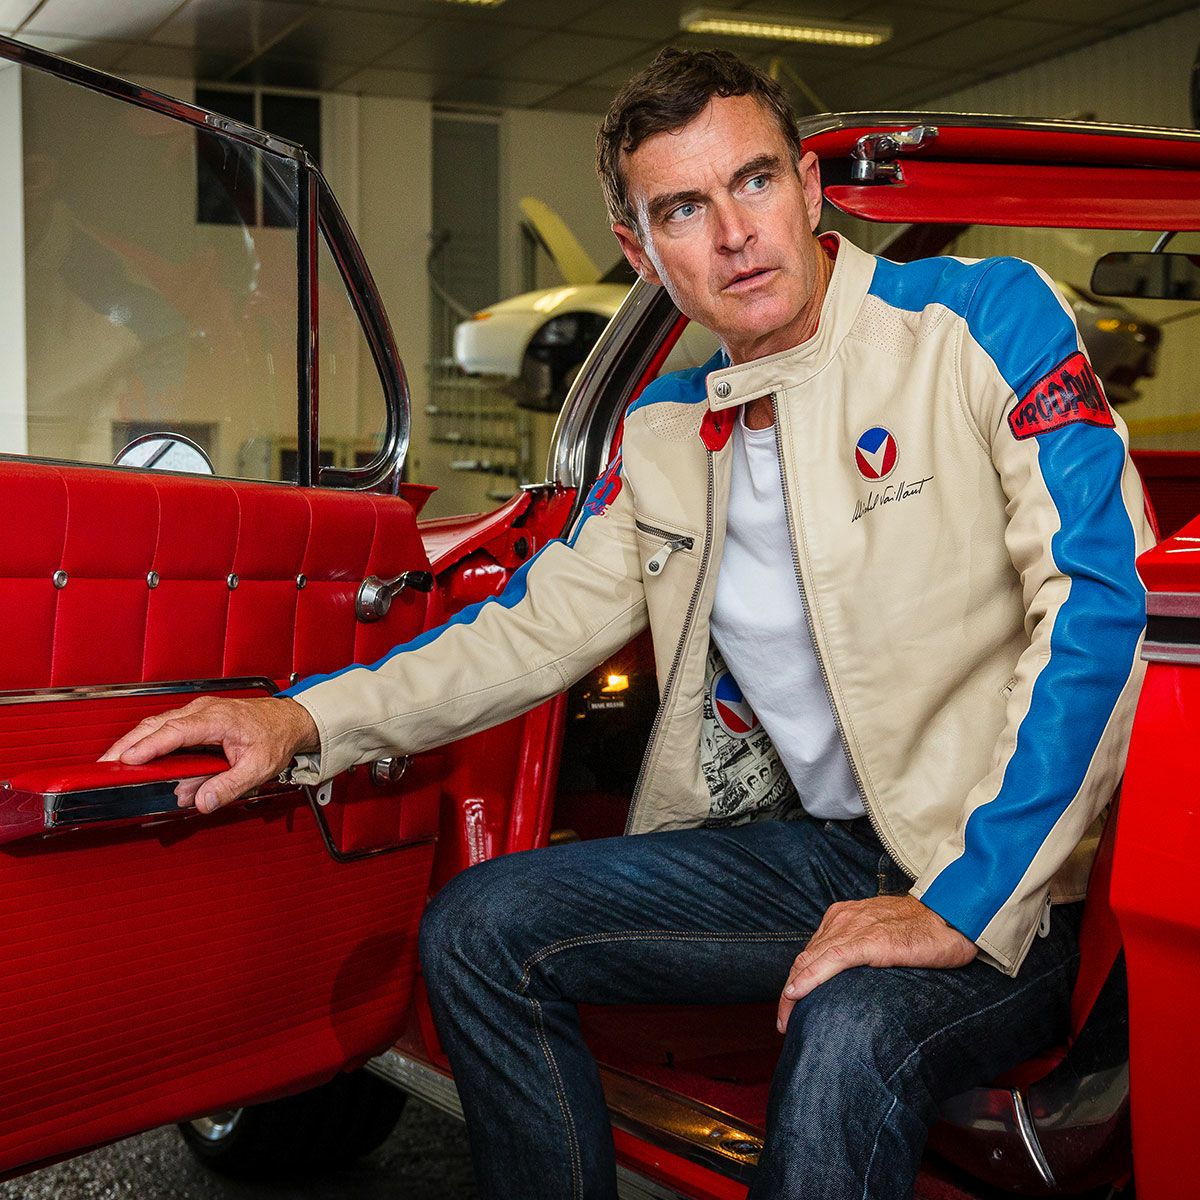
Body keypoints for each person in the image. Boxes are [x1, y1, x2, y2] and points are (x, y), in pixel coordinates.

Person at [103, 49, 1152, 1200]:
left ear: (810, 187)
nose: (735, 234)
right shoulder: (663, 430)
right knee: (478, 932)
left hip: (1014, 877)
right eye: (684, 210)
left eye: (755, 181)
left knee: (852, 1021)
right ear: (640, 250)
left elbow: (1100, 606)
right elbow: (529, 627)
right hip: (823, 853)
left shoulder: (979, 319)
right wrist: (304, 721)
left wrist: (960, 900)